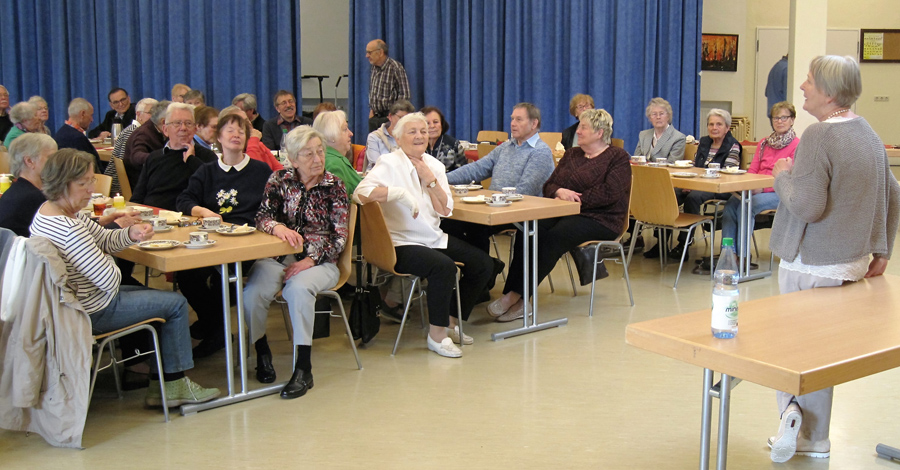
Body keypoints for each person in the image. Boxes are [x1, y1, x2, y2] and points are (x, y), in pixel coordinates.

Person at [766, 55, 900, 464]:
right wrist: (883, 251)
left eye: (808, 81)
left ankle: (797, 422)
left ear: (826, 91)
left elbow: (806, 206)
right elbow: (894, 194)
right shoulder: (868, 133)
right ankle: (811, 433)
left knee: (791, 351)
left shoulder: (820, 136)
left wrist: (782, 174)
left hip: (810, 263)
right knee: (820, 355)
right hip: (849, 263)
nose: (802, 86)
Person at [29, 149, 220, 407]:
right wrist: (102, 256)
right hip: (93, 308)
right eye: (84, 183)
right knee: (175, 304)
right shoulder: (69, 228)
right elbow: (109, 280)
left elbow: (103, 238)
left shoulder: (48, 212)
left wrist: (131, 234)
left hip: (76, 301)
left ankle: (160, 380)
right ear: (63, 184)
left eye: (91, 180)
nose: (91, 189)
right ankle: (173, 386)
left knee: (158, 297)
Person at [355, 113, 492, 358]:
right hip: (399, 242)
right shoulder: (389, 162)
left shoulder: (435, 165)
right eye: (412, 131)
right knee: (443, 267)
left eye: (423, 130)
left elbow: (445, 210)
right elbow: (360, 193)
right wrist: (396, 193)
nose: (419, 135)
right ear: (398, 137)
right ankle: (436, 337)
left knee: (483, 263)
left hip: (432, 238)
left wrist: (430, 181)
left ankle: (449, 322)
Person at [489, 109, 631, 322]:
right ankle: (517, 296)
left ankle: (516, 296)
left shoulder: (617, 157)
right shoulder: (572, 154)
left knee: (554, 237)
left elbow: (610, 193)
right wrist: (559, 192)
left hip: (602, 219)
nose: (578, 131)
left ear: (599, 132)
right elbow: (549, 184)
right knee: (527, 228)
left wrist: (573, 200)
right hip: (564, 211)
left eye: (583, 127)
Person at [242, 126, 348, 395]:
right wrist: (277, 228)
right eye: (308, 153)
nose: (317, 159)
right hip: (279, 256)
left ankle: (303, 368)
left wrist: (310, 260)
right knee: (253, 293)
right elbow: (262, 216)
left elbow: (340, 237)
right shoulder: (278, 180)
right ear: (292, 158)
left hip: (323, 262)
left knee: (298, 289)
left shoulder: (334, 186)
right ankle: (261, 349)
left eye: (320, 152)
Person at [176, 113, 272, 358]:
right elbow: (184, 200)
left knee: (223, 276)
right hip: (213, 240)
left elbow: (273, 207)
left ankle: (217, 333)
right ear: (218, 137)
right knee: (187, 275)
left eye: (241, 131)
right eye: (230, 130)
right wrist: (203, 211)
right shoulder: (207, 171)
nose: (236, 135)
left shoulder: (260, 171)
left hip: (249, 241)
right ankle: (215, 328)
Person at [443, 102, 555, 252]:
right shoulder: (505, 147)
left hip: (518, 212)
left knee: (475, 228)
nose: (513, 124)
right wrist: (442, 179)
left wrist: (492, 203)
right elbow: (477, 168)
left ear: (534, 123)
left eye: (519, 119)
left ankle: (484, 268)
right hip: (494, 208)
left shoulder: (540, 152)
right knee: (448, 225)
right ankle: (483, 268)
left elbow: (525, 191)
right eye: (512, 119)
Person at [720, 101, 799, 262]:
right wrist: (750, 186)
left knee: (746, 206)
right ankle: (728, 254)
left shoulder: (798, 144)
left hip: (780, 192)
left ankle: (743, 257)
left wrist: (762, 189)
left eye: (784, 117)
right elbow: (753, 170)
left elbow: (790, 178)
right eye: (776, 118)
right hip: (756, 189)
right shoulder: (764, 143)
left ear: (792, 120)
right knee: (730, 205)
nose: (779, 121)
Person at [667, 108, 742, 260]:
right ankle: (661, 241)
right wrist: (692, 182)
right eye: (711, 124)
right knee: (671, 193)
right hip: (699, 184)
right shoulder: (704, 142)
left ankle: (684, 244)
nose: (714, 128)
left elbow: (726, 173)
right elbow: (696, 166)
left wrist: (696, 184)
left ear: (727, 128)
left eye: (719, 124)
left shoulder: (733, 146)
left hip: (721, 187)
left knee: (692, 197)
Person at [131, 103, 217, 210]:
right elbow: (137, 197)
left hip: (186, 218)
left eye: (188, 123)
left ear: (195, 129)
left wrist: (192, 160)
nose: (183, 128)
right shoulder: (154, 157)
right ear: (165, 130)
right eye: (177, 123)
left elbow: (214, 187)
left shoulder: (206, 157)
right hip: (150, 218)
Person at [0, 134, 59, 236]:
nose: (56, 163)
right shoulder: (34, 198)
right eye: (50, 157)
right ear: (29, 161)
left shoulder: (14, 191)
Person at [218, 105, 283, 171]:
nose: (248, 124)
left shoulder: (259, 145)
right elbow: (252, 171)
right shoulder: (252, 143)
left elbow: (279, 170)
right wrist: (253, 140)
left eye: (247, 120)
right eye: (241, 122)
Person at [366, 39, 411, 132]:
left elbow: (404, 95)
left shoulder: (395, 67)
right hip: (375, 118)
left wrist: (395, 116)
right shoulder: (373, 68)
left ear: (381, 52)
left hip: (389, 118)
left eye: (369, 53)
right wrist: (372, 111)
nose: (367, 56)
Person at [122, 100, 169, 188]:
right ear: (163, 122)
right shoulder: (144, 133)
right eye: (176, 122)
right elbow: (136, 156)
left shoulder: (157, 129)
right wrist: (163, 158)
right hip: (143, 185)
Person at [313, 110, 360, 195]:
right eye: (345, 129)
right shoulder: (333, 164)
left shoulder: (333, 158)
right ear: (331, 137)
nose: (351, 133)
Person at [54, 98, 102, 171]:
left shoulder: (60, 132)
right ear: (82, 114)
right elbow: (92, 168)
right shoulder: (77, 138)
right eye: (91, 115)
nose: (92, 120)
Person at [633, 97, 686, 163]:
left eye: (661, 114)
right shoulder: (643, 135)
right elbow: (636, 160)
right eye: (654, 114)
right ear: (650, 118)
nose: (658, 117)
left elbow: (672, 164)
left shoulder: (678, 138)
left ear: (668, 116)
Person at [365, 99, 414, 170]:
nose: (404, 122)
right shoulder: (374, 137)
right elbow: (376, 164)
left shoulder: (411, 137)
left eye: (408, 119)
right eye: (401, 118)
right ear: (390, 116)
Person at [422, 105, 467, 171]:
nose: (432, 126)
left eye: (435, 122)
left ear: (442, 124)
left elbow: (463, 172)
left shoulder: (453, 144)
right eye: (427, 123)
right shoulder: (416, 145)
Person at [766, 55, 788, 122]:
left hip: (773, 113)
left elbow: (767, 92)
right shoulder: (787, 69)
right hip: (783, 116)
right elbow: (788, 96)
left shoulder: (776, 67)